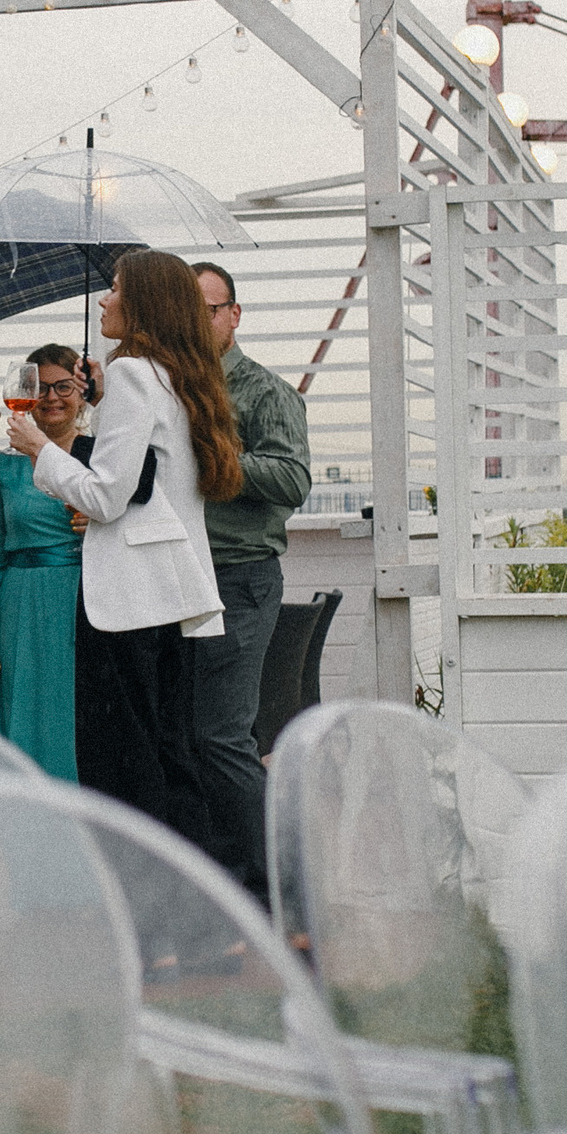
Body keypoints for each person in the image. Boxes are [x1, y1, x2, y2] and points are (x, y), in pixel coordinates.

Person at [7, 250, 242, 853]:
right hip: (168, 595)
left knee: (124, 769)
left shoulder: (137, 373)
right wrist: (107, 396)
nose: (103, 300)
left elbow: (108, 496)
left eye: (113, 289)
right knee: (170, 759)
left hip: (125, 605)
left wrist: (39, 449)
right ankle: (191, 912)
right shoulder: (177, 376)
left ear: (142, 305)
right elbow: (152, 488)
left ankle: (146, 918)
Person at [186, 261, 312, 898]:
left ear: (234, 315)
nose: (200, 320)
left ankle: (289, 880)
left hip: (240, 580)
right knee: (186, 737)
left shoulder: (264, 393)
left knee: (222, 735)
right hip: (180, 583)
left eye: (211, 309)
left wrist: (218, 458)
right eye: (189, 308)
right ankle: (224, 884)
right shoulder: (171, 390)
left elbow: (293, 481)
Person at [0, 343, 90, 780]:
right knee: (23, 715)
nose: (51, 398)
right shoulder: (3, 468)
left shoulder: (103, 456)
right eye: (41, 388)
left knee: (79, 715)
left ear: (82, 390)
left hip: (86, 602)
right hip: (21, 610)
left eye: (63, 386)